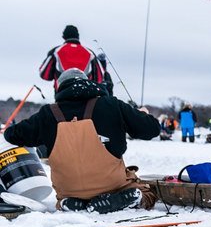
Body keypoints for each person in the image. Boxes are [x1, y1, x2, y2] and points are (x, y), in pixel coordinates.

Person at [3, 69, 159, 213]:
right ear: (89, 83)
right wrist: (142, 115)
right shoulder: (112, 104)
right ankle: (124, 198)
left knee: (67, 195)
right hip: (112, 185)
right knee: (147, 192)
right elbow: (152, 129)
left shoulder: (47, 113)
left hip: (69, 190)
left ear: (60, 88)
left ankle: (72, 203)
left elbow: (12, 135)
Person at [38, 25, 106, 90]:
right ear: (78, 36)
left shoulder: (56, 51)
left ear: (64, 36)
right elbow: (99, 77)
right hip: (85, 95)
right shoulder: (90, 53)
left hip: (62, 95)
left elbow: (44, 74)